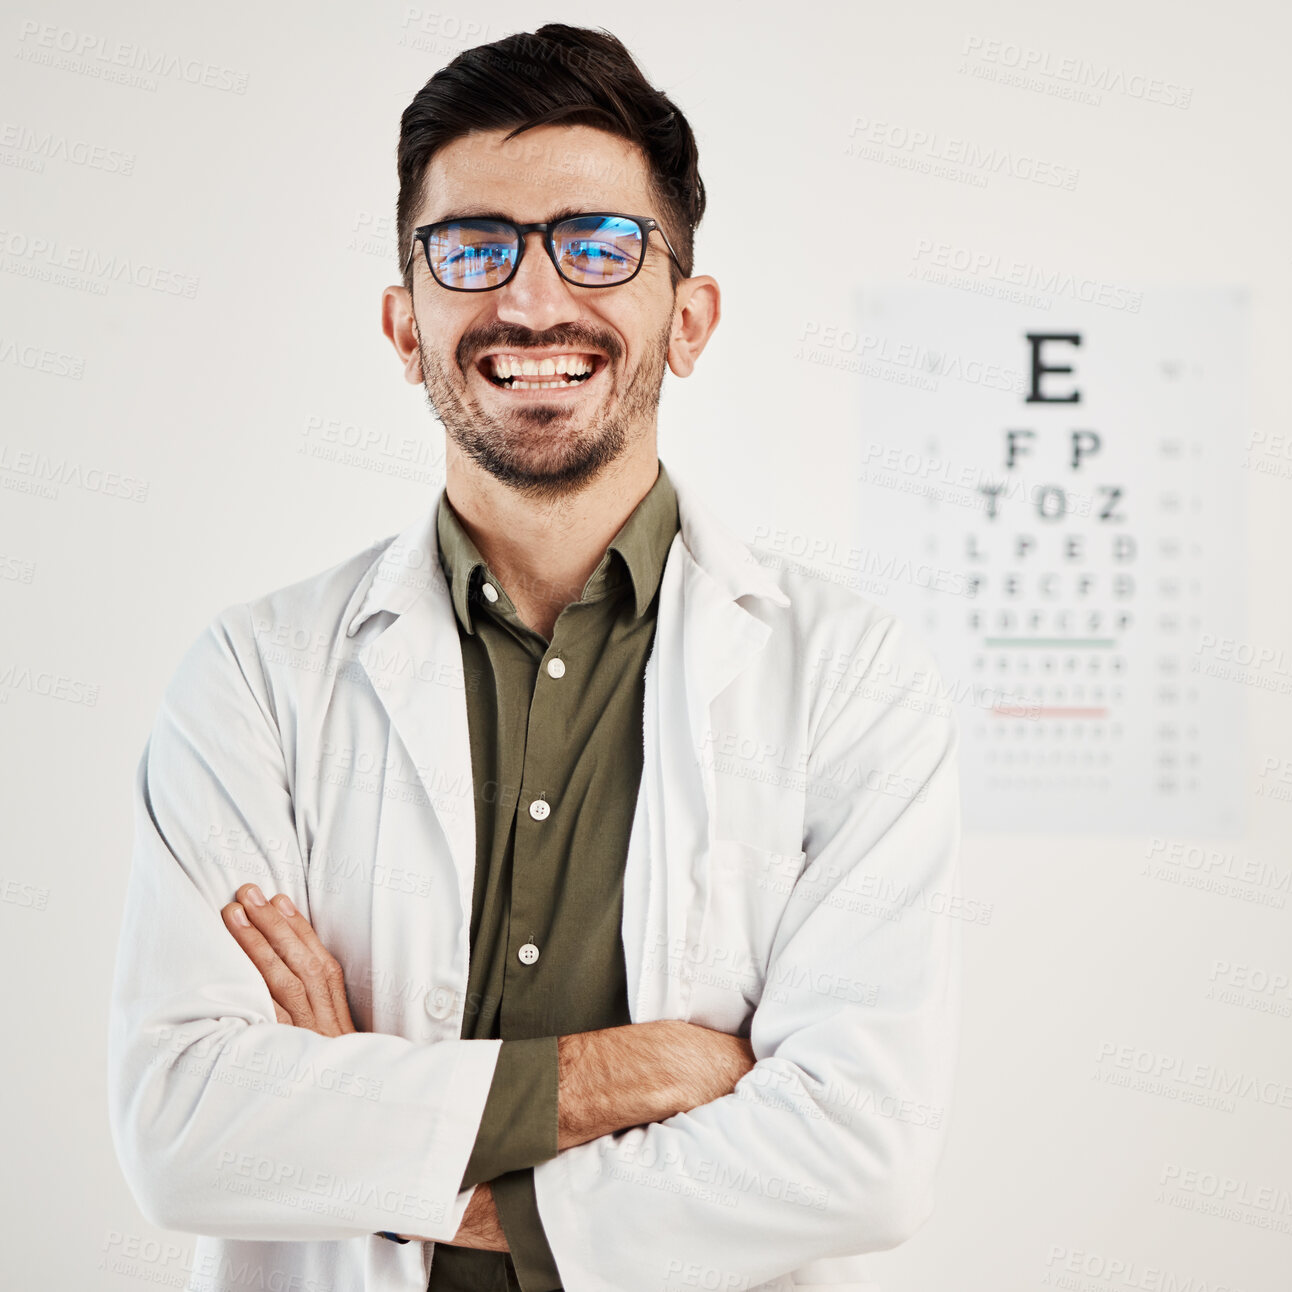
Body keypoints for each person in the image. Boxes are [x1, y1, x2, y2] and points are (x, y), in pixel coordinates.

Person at [107, 23, 961, 1292]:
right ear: (405, 321)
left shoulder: (847, 678)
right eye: (474, 247)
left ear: (689, 315)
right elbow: (182, 1124)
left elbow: (859, 1150)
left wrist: (389, 1153)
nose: (533, 298)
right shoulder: (255, 676)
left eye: (599, 245)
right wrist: (645, 1069)